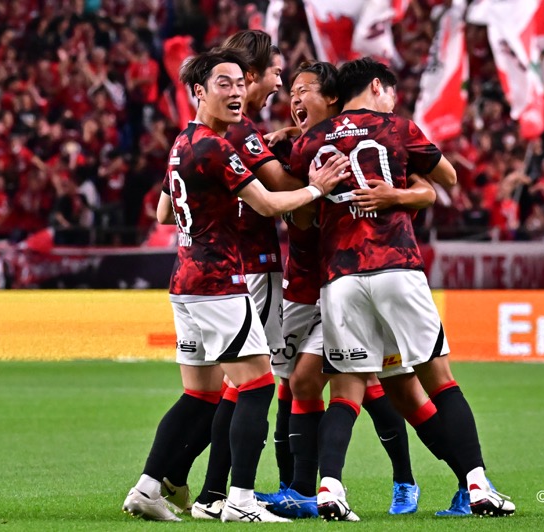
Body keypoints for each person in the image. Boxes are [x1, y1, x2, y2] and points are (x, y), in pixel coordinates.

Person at [121, 47, 349, 523]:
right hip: (219, 281)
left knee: (200, 394)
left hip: (184, 280)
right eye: (224, 84)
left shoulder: (183, 142)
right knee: (259, 383)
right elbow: (268, 204)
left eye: (239, 84)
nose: (236, 93)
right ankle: (239, 501)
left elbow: (164, 212)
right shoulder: (216, 147)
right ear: (199, 92)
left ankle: (148, 488)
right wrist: (318, 187)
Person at [289, 57, 516, 520]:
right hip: (396, 267)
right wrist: (403, 190)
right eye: (390, 92)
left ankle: (330, 488)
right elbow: (448, 179)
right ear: (377, 87)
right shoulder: (397, 128)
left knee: (347, 390)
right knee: (440, 380)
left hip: (340, 278)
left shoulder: (311, 141)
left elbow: (303, 213)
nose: (393, 101)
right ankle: (477, 485)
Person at [256, 60, 437, 519]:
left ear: (332, 98)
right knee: (309, 383)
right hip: (303, 283)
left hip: (348, 279)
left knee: (346, 381)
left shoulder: (360, 142)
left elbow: (428, 185)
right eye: (290, 93)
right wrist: (293, 161)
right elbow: (296, 217)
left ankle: (398, 479)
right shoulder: (303, 148)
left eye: (305, 91)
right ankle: (299, 488)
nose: (294, 100)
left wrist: (398, 195)